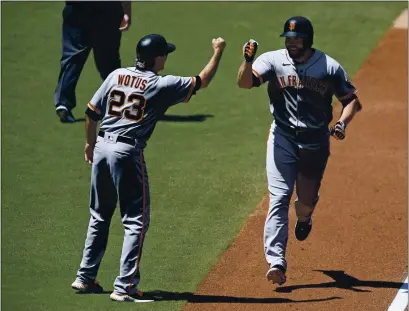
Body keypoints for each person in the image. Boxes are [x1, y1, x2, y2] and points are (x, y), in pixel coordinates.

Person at [70, 33, 226, 302]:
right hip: (126, 152)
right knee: (135, 221)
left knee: (99, 214)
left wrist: (89, 144)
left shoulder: (116, 75)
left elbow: (92, 111)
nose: (166, 57)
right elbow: (202, 81)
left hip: (102, 147)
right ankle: (125, 286)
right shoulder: (161, 84)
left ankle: (85, 277)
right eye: (165, 53)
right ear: (157, 58)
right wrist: (218, 51)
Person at [237, 16, 362, 285]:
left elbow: (352, 101)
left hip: (315, 141)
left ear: (307, 39)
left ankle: (305, 218)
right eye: (288, 38)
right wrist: (247, 62)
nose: (291, 43)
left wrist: (341, 123)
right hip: (282, 137)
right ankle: (276, 261)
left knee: (304, 201)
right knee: (279, 197)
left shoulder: (328, 66)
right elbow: (245, 83)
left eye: (296, 38)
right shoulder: (272, 60)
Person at [54, 1, 132, 123]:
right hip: (108, 8)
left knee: (73, 56)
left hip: (77, 6)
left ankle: (63, 104)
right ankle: (119, 103)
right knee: (108, 59)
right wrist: (127, 11)